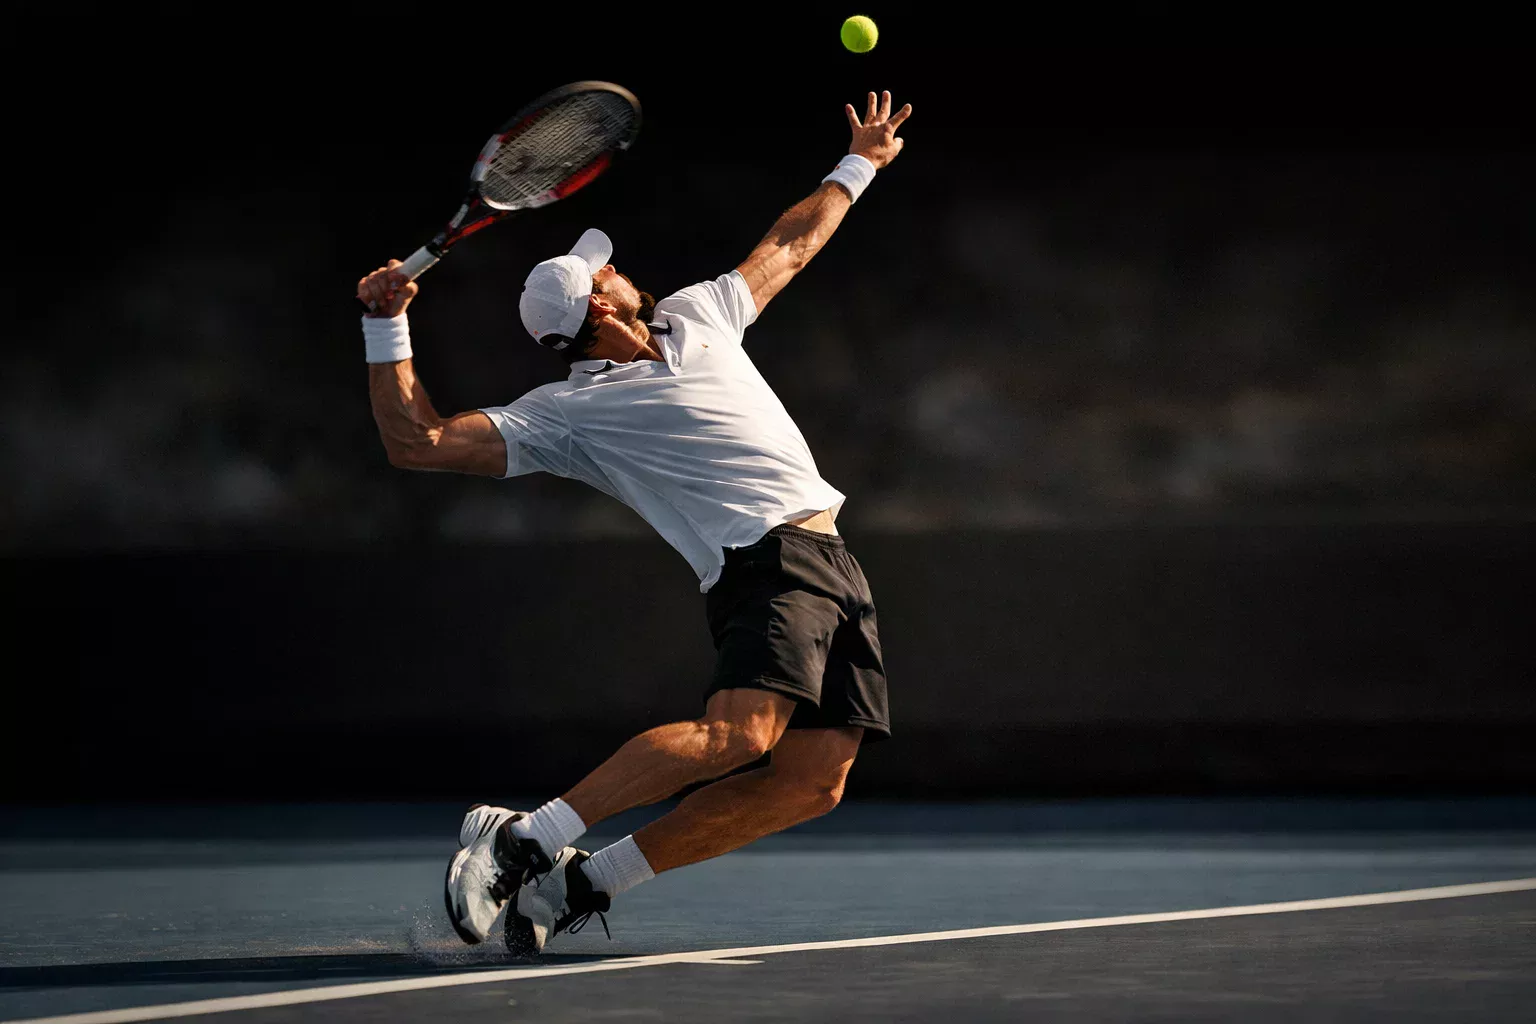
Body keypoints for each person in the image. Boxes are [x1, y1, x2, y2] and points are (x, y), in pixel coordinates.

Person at [356, 90, 912, 955]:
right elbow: (417, 442)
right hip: (763, 561)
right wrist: (386, 325)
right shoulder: (567, 416)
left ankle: (581, 882)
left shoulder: (697, 313)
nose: (617, 268)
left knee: (812, 782)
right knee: (738, 736)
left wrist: (858, 164)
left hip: (831, 559)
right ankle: (523, 841)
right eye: (605, 271)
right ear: (598, 309)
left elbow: (790, 246)